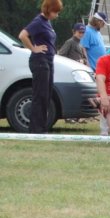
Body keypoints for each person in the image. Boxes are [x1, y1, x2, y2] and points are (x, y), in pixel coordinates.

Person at [18, 0, 63, 134]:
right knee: (40, 95)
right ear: (49, 10)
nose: (57, 15)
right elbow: (22, 35)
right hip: (39, 60)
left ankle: (42, 127)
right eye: (56, 12)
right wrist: (33, 48)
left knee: (47, 95)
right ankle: (36, 130)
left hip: (48, 60)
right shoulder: (38, 21)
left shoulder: (47, 22)